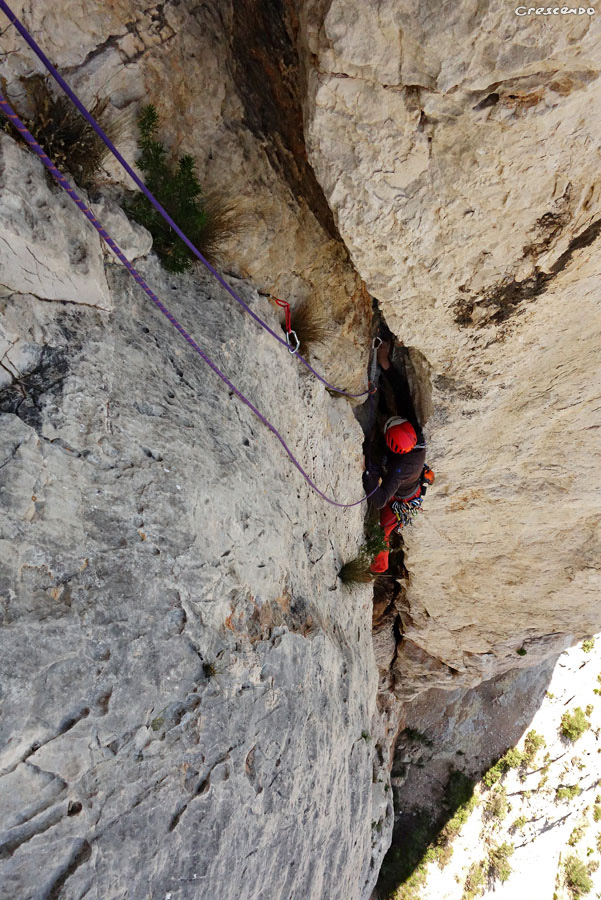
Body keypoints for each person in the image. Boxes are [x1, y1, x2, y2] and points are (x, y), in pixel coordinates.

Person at [362, 340, 430, 573]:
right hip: (408, 483)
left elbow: (381, 499)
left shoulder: (400, 470)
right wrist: (385, 363)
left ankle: (378, 568)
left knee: (383, 531)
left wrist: (368, 473)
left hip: (402, 499)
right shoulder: (415, 434)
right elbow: (402, 393)